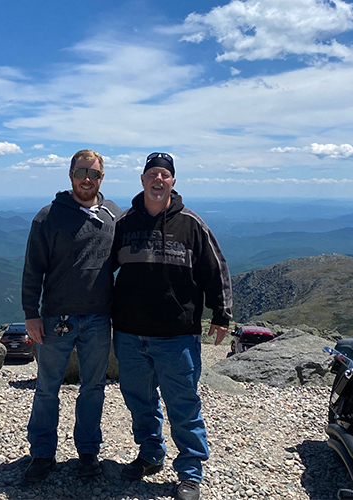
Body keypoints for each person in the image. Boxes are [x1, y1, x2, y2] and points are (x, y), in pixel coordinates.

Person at [111, 152, 232, 500]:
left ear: (173, 182)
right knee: (139, 401)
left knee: (183, 405)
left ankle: (191, 473)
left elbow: (215, 269)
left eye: (165, 175)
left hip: (177, 335)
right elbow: (103, 272)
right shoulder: (125, 222)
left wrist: (222, 315)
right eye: (152, 174)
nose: (158, 180)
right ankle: (151, 454)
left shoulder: (191, 224)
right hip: (130, 333)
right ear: (143, 179)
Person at [21, 149, 122, 483]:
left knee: (93, 388)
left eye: (93, 174)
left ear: (102, 178)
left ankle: (88, 453)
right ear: (70, 175)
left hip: (98, 318)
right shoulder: (48, 217)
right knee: (47, 388)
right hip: (55, 318)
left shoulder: (113, 216)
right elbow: (33, 269)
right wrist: (30, 314)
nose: (87, 180)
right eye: (81, 173)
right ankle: (42, 454)